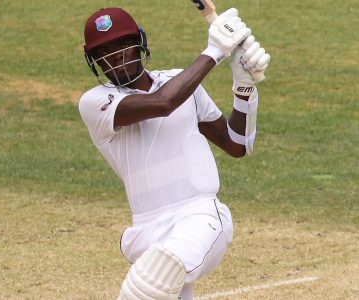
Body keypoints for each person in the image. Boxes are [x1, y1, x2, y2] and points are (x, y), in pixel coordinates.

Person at [78, 6, 270, 300]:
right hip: (148, 230)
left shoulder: (181, 83)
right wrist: (215, 51)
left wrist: (244, 88)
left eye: (122, 44)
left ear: (140, 42)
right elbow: (162, 103)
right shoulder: (96, 102)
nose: (115, 55)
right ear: (94, 62)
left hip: (201, 216)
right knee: (162, 281)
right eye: (104, 51)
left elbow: (236, 144)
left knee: (152, 281)